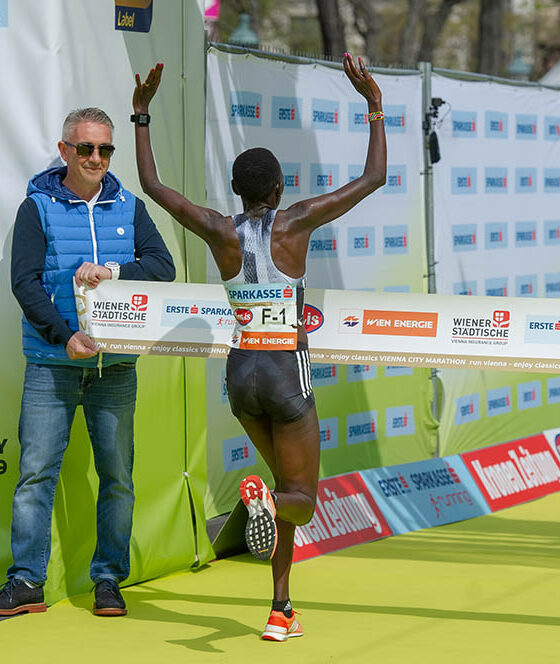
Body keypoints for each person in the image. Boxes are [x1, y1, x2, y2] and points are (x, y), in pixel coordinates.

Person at [130, 55, 385, 641]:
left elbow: (153, 186)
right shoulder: (295, 223)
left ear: (236, 191)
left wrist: (141, 115)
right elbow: (373, 178)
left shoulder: (219, 229)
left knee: (283, 493)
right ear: (279, 189)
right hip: (286, 373)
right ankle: (266, 501)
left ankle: (280, 610)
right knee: (300, 500)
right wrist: (373, 104)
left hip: (241, 374)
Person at [1, 108, 176, 617]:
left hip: (115, 369)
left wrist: (114, 271)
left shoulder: (129, 205)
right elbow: (24, 283)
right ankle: (26, 582)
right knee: (35, 475)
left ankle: (108, 580)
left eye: (105, 149)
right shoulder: (36, 207)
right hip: (52, 365)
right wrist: (65, 337)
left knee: (117, 478)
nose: (96, 157)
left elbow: (162, 266)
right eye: (85, 148)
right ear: (65, 151)